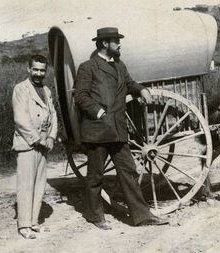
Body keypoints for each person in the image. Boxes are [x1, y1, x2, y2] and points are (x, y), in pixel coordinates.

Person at [74, 27, 168, 229]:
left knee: (129, 172)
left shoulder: (119, 65)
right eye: (115, 41)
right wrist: (99, 113)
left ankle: (142, 216)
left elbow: (130, 83)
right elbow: (80, 95)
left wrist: (141, 89)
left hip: (117, 130)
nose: (119, 44)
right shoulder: (88, 67)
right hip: (97, 130)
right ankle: (95, 215)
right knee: (95, 176)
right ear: (104, 43)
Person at [12, 55, 58, 239]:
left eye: (42, 70)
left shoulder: (46, 90)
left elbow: (53, 114)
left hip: (44, 144)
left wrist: (52, 137)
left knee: (39, 184)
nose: (39, 73)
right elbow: (20, 119)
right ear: (28, 69)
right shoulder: (21, 89)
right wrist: (39, 139)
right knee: (25, 184)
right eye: (35, 69)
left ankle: (34, 222)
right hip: (28, 144)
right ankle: (24, 225)